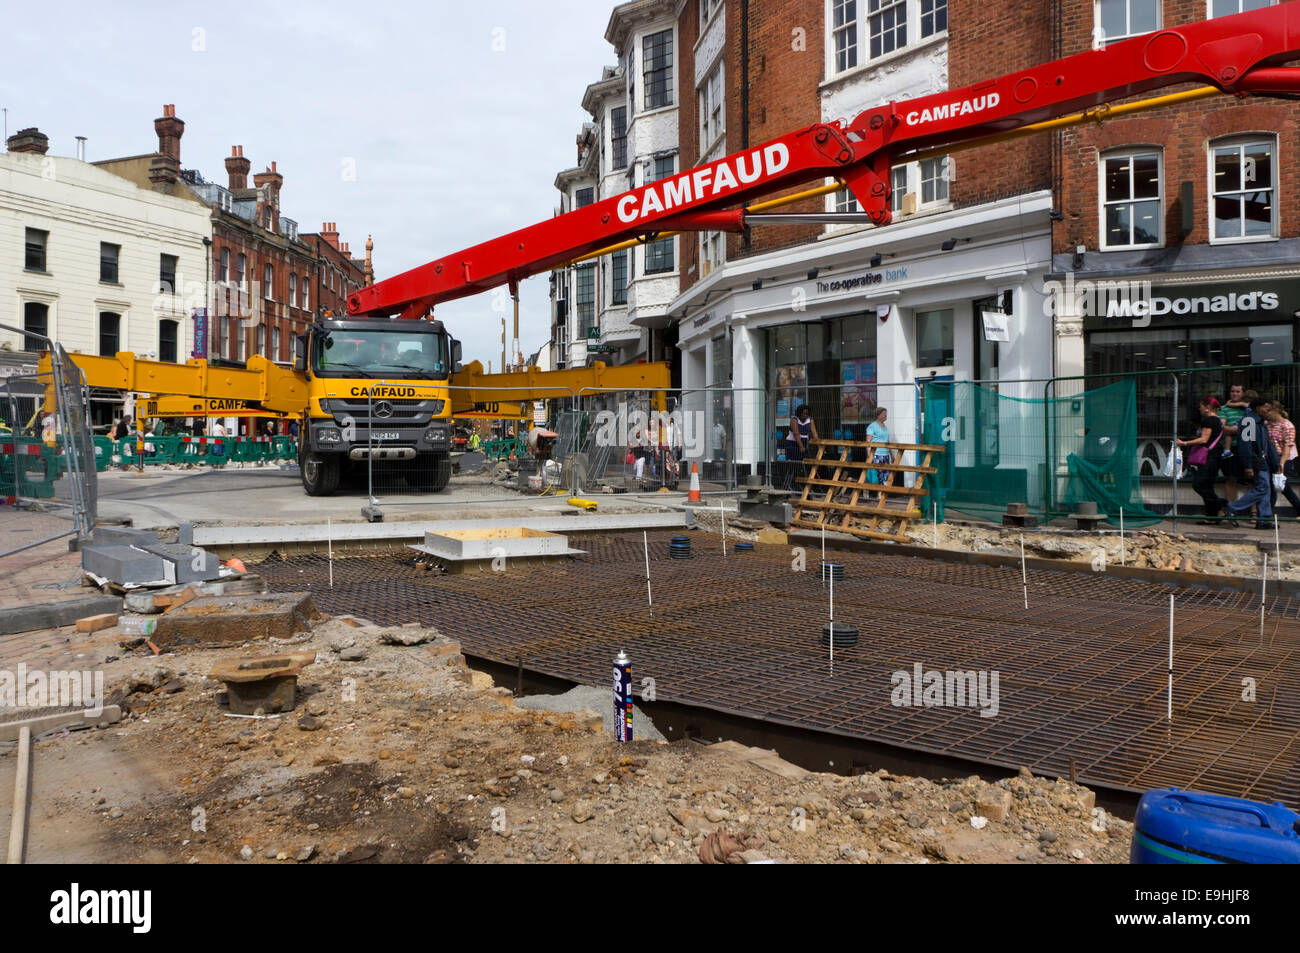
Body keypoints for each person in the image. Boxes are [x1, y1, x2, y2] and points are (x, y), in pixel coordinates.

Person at [1225, 397, 1280, 529]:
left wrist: (1276, 463)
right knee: (1263, 488)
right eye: (1266, 408)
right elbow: (1245, 445)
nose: (1269, 411)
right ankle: (1231, 508)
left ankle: (1263, 519)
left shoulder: (1260, 422)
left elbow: (1268, 445)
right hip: (1256, 461)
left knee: (1265, 488)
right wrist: (1248, 465)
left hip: (1263, 461)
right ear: (1257, 408)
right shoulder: (1249, 421)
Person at [1177, 397, 1227, 522]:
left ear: (1208, 407)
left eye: (1201, 406)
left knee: (1198, 484)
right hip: (1214, 455)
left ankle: (1221, 506)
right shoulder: (1218, 421)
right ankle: (1212, 516)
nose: (1199, 408)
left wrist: (1184, 443)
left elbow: (1204, 439)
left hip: (1208, 457)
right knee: (1208, 485)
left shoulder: (1209, 420)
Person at [1265, 403, 1300, 516]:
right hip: (1271, 457)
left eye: (1269, 410)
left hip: (1283, 458)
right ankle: (1268, 513)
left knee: (1280, 485)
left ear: (1276, 411)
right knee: (1276, 485)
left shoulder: (1287, 425)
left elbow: (1287, 447)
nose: (1267, 413)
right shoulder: (1268, 424)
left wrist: (1282, 463)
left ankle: (1268, 513)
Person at [1219, 384, 1250, 504]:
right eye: (1232, 391)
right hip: (1231, 448)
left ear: (1243, 393)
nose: (1234, 394)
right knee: (1231, 479)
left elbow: (1253, 427)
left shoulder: (1248, 408)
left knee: (1252, 480)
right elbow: (1222, 428)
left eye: (1238, 391)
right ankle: (1230, 510)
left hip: (1248, 447)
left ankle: (1254, 513)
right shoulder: (1223, 408)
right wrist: (1243, 428)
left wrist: (1233, 429)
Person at [866, 406, 895, 489]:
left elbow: (887, 442)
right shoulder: (872, 426)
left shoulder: (885, 427)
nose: (886, 415)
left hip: (885, 455)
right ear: (878, 415)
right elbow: (868, 441)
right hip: (876, 454)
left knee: (886, 475)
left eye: (886, 414)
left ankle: (882, 494)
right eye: (884, 414)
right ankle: (879, 494)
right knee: (878, 475)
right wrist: (869, 455)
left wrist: (892, 455)